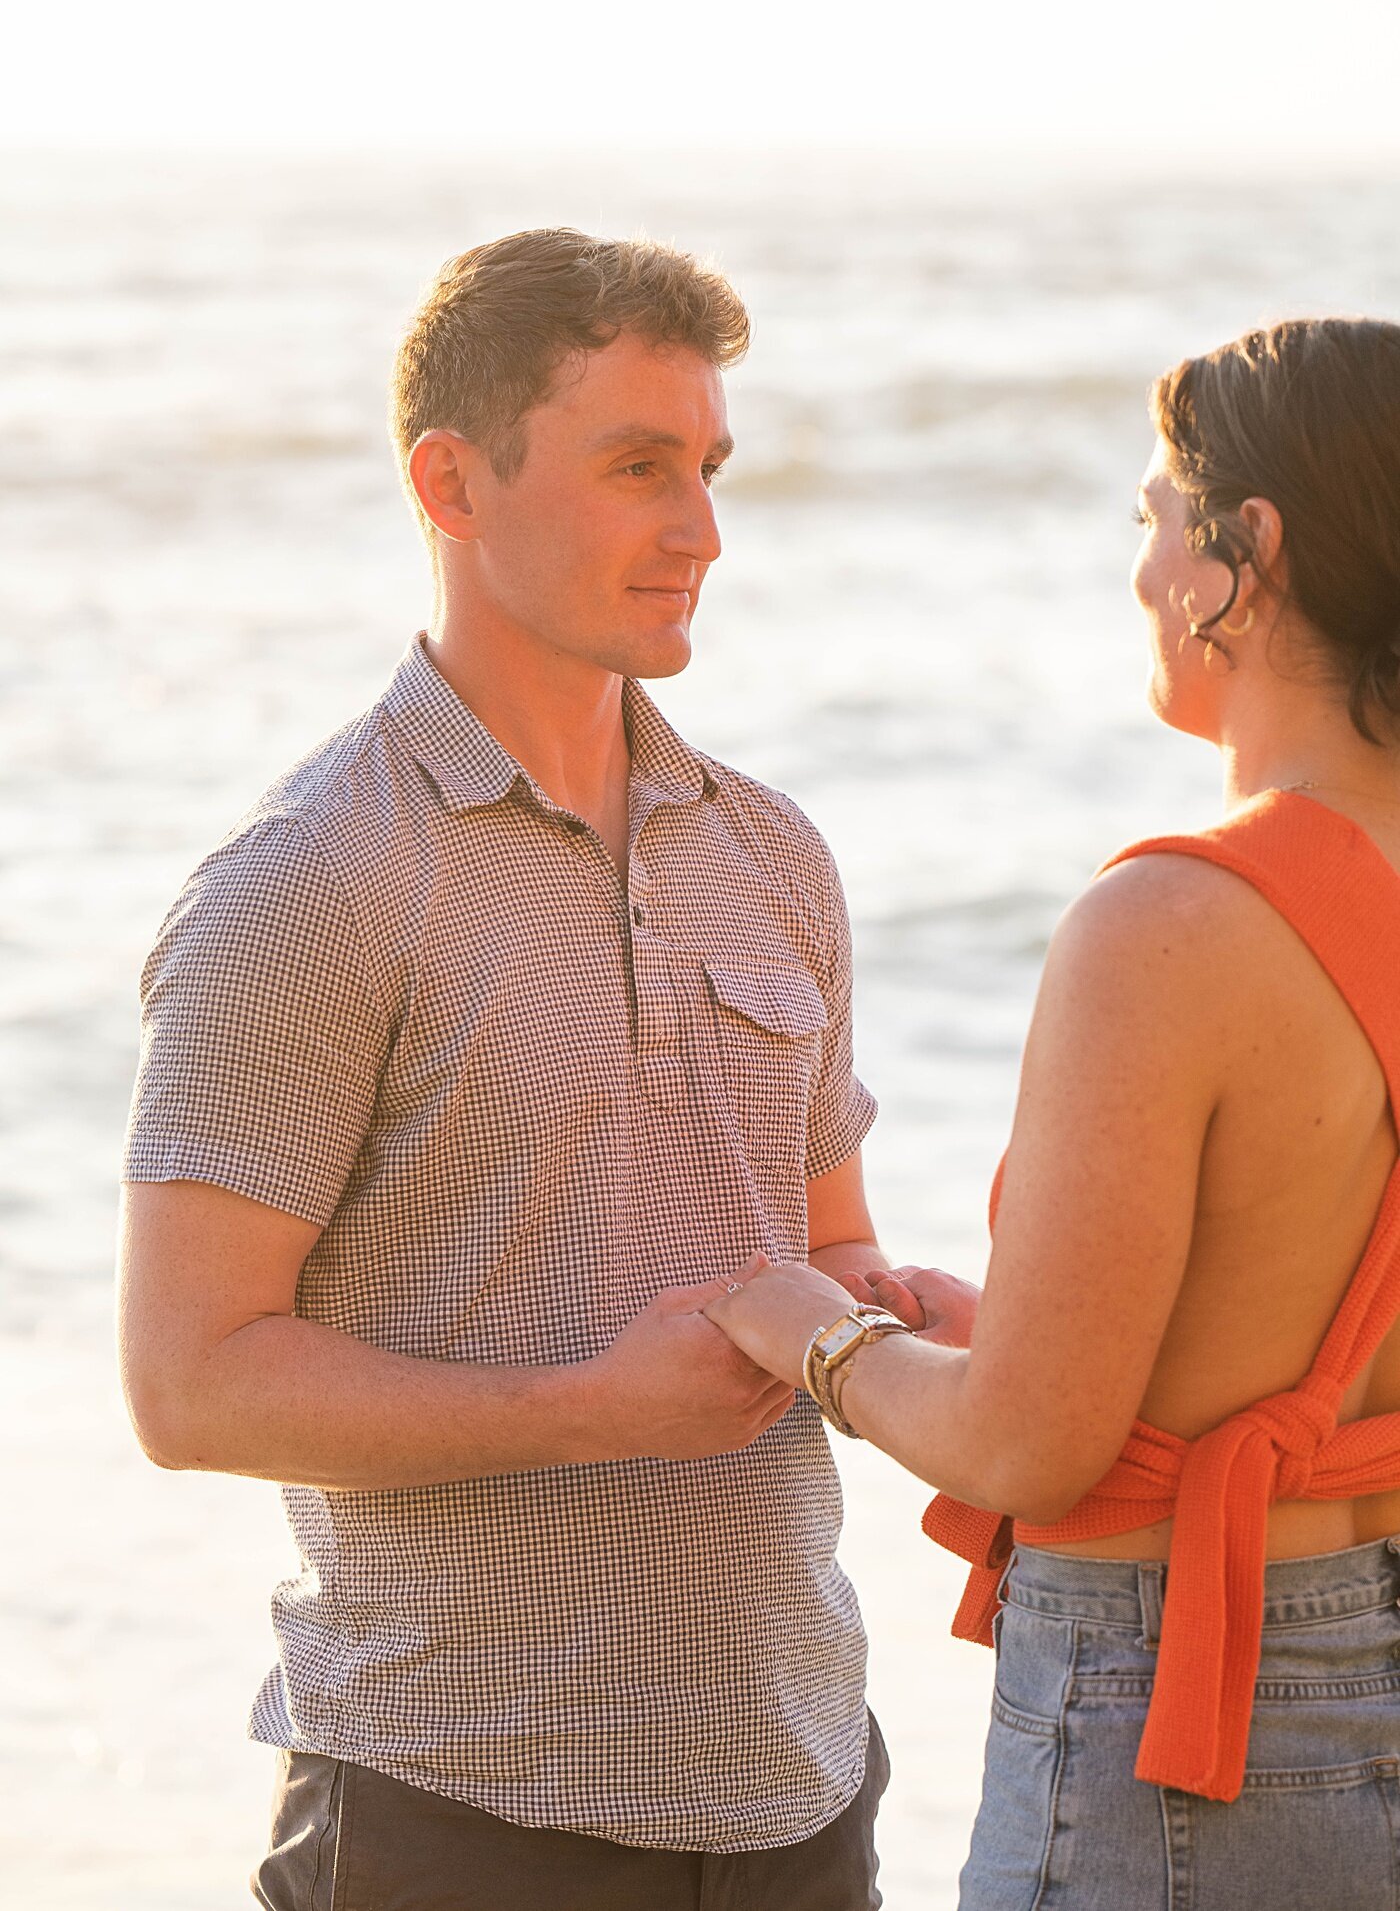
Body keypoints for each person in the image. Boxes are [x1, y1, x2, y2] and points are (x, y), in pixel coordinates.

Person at [118, 229, 899, 1911]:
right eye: (637, 468)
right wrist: (587, 1414)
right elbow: (188, 1383)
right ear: (451, 483)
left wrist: (906, 1324)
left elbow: (828, 1258)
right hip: (454, 1818)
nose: (697, 528)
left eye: (708, 468)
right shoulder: (310, 881)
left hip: (802, 1793)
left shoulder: (773, 855)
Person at [706, 316, 1400, 1907]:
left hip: (1187, 1739)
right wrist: (990, 1328)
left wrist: (809, 1328)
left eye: (1155, 514)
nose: (1141, 565)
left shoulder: (1175, 922)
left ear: (1248, 554)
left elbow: (1029, 1443)